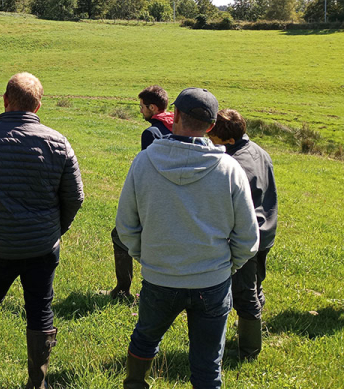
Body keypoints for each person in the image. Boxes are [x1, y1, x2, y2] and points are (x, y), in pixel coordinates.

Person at [116, 88, 259, 389]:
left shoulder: (143, 162)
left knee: (144, 340)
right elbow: (248, 236)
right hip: (212, 281)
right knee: (207, 367)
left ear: (175, 115)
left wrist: (148, 257)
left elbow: (126, 226)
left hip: (160, 277)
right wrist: (227, 266)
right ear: (210, 127)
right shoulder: (230, 170)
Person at [0, 72, 84, 389]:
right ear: (37, 106)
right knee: (40, 308)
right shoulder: (59, 142)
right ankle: (36, 382)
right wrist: (54, 231)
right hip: (42, 247)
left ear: (5, 100)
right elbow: (75, 197)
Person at [208, 109, 278, 360]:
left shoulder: (236, 165)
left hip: (249, 237)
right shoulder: (259, 151)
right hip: (266, 230)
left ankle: (248, 352)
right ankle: (252, 331)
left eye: (213, 137)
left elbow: (232, 209)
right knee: (255, 283)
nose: (209, 140)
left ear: (228, 140)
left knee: (244, 294)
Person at [109, 85, 174, 301]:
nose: (140, 111)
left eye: (142, 107)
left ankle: (123, 290)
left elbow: (148, 172)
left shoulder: (151, 133)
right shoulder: (177, 126)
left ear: (152, 107)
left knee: (120, 236)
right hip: (179, 198)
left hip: (156, 199)